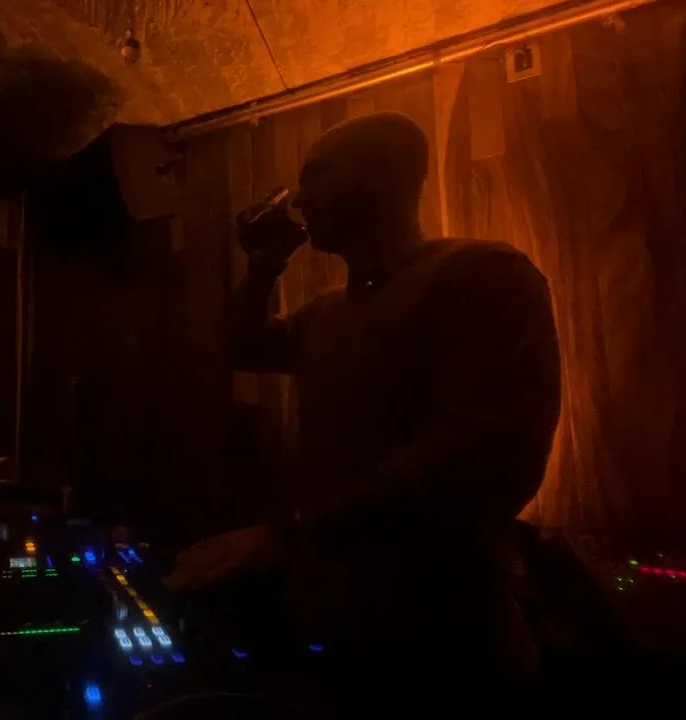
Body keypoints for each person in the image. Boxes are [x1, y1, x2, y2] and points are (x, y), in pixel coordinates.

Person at [164, 113, 562, 691]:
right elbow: (244, 347)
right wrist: (265, 265)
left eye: (317, 174)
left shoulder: (480, 273)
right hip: (335, 631)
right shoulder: (327, 312)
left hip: (449, 648)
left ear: (384, 174)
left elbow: (481, 454)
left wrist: (292, 534)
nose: (299, 199)